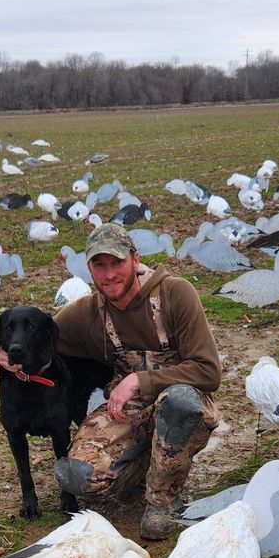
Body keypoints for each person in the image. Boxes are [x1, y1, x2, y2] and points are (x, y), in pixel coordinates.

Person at [50, 222, 222, 541]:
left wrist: (140, 380)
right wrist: (6, 352)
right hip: (128, 411)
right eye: (99, 265)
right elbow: (41, 334)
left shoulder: (175, 293)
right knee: (77, 476)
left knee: (179, 403)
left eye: (117, 262)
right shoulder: (90, 312)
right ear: (89, 269)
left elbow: (209, 371)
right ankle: (145, 464)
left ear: (135, 258)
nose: (110, 273)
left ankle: (162, 501)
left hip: (183, 402)